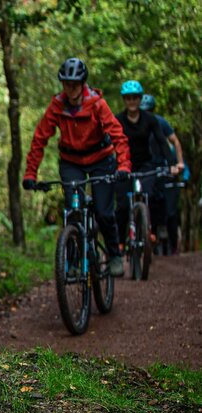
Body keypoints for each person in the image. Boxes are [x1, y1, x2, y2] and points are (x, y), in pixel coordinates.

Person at [22, 57, 130, 277]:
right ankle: (71, 262)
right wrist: (31, 172)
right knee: (73, 212)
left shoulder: (97, 104)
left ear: (82, 83)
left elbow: (117, 134)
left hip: (101, 159)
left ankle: (114, 255)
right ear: (62, 83)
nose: (70, 88)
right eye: (66, 83)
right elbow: (40, 138)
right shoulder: (57, 106)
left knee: (103, 211)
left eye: (75, 83)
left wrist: (124, 166)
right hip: (72, 162)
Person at [112, 81, 178, 253]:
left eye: (135, 98)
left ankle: (151, 229)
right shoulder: (117, 120)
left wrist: (172, 164)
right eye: (128, 98)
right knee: (122, 205)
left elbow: (163, 142)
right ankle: (119, 241)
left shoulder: (150, 119)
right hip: (124, 165)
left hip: (145, 164)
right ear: (124, 100)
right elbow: (108, 142)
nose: (132, 101)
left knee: (151, 196)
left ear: (140, 99)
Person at [141, 94, 188, 254]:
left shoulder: (160, 122)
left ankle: (160, 229)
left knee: (161, 199)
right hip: (141, 166)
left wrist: (178, 164)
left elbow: (175, 141)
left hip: (160, 166)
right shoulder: (133, 123)